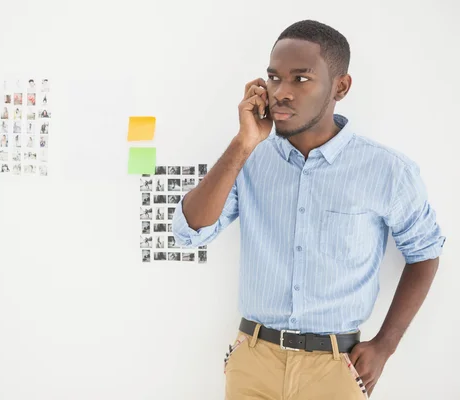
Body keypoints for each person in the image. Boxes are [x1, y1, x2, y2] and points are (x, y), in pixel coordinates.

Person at [172, 20, 446, 400]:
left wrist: (385, 345)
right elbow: (189, 231)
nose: (281, 92)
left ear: (341, 87)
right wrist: (244, 141)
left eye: (301, 79)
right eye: (273, 78)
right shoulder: (249, 159)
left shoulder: (387, 171)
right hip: (253, 362)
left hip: (336, 368)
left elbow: (425, 254)